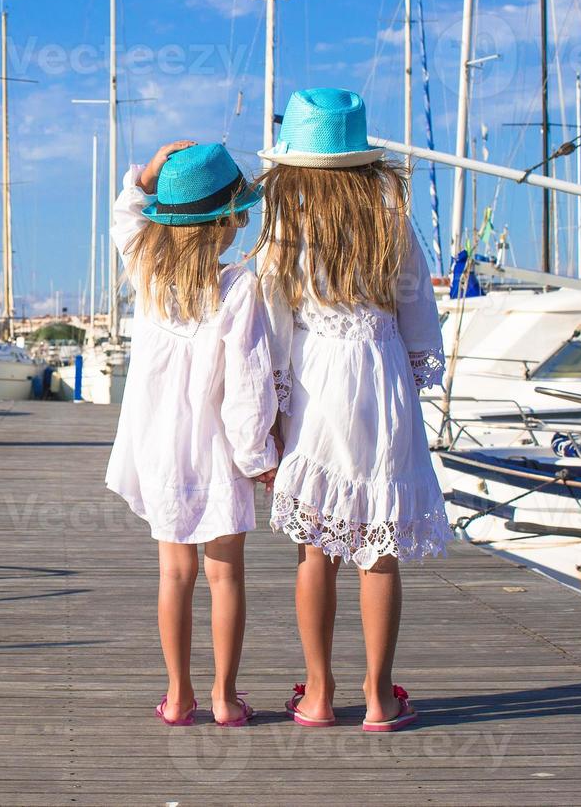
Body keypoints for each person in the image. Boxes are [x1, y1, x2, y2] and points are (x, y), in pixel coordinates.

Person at [253, 88, 449, 733]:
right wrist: (413, 370)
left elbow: (276, 322)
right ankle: (377, 697)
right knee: (379, 547)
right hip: (381, 371)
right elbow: (419, 310)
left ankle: (317, 692)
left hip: (318, 378)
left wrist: (274, 407)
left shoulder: (288, 226)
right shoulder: (392, 221)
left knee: (316, 549)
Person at [104, 139, 282, 728]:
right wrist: (259, 455)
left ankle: (178, 696)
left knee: (174, 574)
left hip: (159, 448)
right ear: (228, 219)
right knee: (225, 573)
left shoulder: (146, 272)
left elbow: (126, 214)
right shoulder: (238, 288)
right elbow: (248, 386)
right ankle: (226, 698)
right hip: (215, 450)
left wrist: (150, 171)